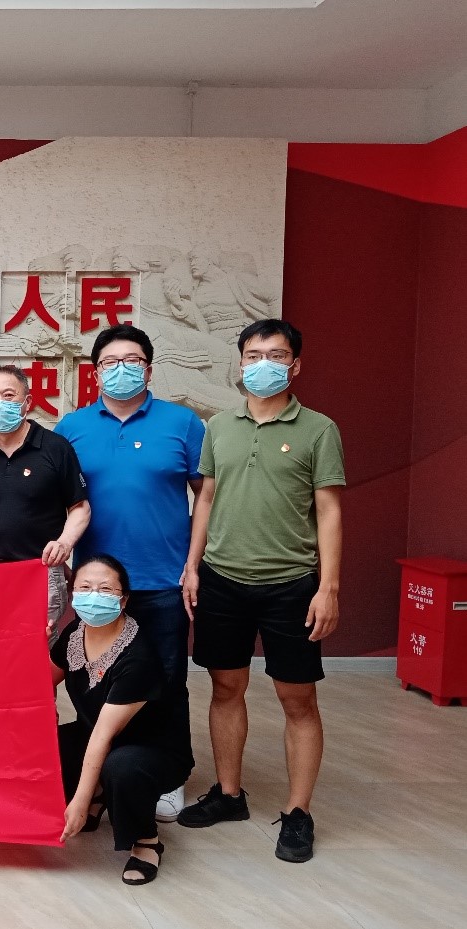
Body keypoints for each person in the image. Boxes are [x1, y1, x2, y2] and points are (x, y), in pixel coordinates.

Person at [180, 318, 345, 864]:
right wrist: (192, 566)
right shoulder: (219, 426)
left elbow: (329, 510)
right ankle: (229, 795)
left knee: (298, 699)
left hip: (291, 584)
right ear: (240, 362)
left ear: (295, 365)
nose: (263, 365)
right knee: (225, 688)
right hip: (222, 579)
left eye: (275, 356)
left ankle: (298, 812)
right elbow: (206, 498)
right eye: (253, 356)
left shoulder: (319, 429)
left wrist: (328, 587)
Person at [54, 325, 205, 823]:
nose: (122, 370)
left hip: (162, 581)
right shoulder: (72, 427)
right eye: (110, 362)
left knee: (167, 680)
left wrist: (193, 564)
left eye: (132, 361)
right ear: (95, 373)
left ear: (149, 369)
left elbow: (206, 496)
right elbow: (59, 502)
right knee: (95, 681)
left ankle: (166, 776)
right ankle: (104, 772)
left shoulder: (182, 423)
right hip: (96, 587)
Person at [54, 555, 193, 886]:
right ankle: (100, 794)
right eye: (85, 588)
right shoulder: (75, 632)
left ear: (124, 599)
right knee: (48, 745)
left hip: (153, 750)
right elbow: (37, 683)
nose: (93, 596)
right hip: (98, 736)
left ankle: (146, 841)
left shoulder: (138, 655)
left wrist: (79, 800)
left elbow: (103, 736)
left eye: (105, 589)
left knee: (121, 766)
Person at [0, 365, 89, 634]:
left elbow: (80, 507)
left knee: (37, 648)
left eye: (9, 395)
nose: (0, 403)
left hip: (39, 572)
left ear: (27, 402)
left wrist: (64, 543)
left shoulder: (56, 447)